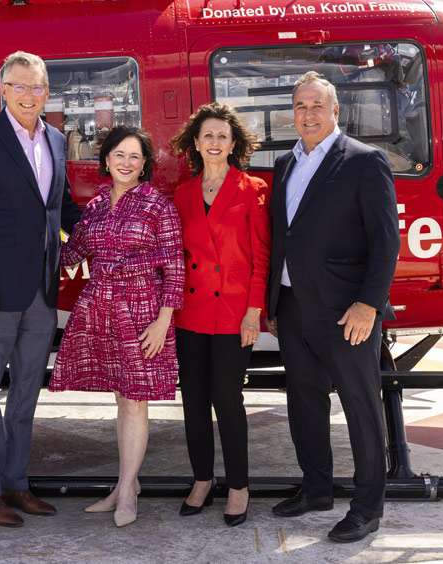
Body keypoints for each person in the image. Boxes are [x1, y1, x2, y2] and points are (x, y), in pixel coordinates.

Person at [0, 51, 82, 527]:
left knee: (26, 391)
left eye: (38, 87)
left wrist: (105, 230)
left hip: (41, 292)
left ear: (48, 91)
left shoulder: (58, 140)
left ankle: (15, 483)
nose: (30, 95)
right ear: (3, 89)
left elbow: (60, 209)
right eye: (20, 86)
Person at [266, 71, 400, 543]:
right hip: (293, 305)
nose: (307, 114)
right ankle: (317, 489)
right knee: (303, 403)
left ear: (335, 110)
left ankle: (367, 509)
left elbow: (386, 243)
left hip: (348, 311)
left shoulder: (365, 162)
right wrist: (273, 303)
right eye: (300, 106)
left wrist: (369, 304)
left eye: (316, 106)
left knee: (361, 407)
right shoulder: (284, 163)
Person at [49, 126, 185, 527]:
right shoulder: (94, 208)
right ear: (106, 160)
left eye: (135, 157)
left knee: (136, 400)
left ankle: (126, 491)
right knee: (121, 399)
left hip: (144, 309)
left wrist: (163, 321)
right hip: (102, 307)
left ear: (145, 166)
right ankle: (127, 483)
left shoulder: (158, 206)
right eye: (119, 155)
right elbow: (72, 253)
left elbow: (175, 268)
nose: (126, 163)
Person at [169, 103, 271, 527]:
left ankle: (239, 486)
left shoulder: (253, 189)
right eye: (207, 135)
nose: (214, 143)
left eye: (222, 137)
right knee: (193, 400)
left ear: (234, 145)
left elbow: (261, 257)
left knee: (227, 400)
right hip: (191, 312)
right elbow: (178, 257)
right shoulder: (182, 194)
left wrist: (253, 313)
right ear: (196, 142)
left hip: (233, 313)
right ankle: (202, 480)